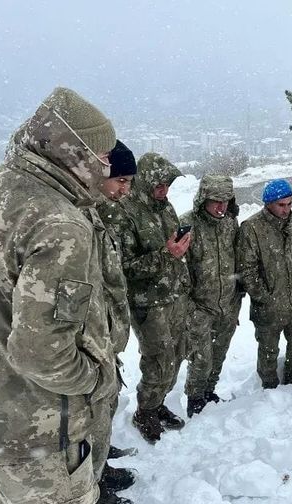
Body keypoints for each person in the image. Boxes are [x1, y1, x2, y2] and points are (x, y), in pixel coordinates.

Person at [0, 87, 120, 503]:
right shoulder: (59, 224)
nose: (107, 165)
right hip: (42, 438)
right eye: (104, 155)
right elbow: (42, 355)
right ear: (76, 152)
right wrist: (97, 381)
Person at [117, 152, 192, 442]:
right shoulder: (126, 213)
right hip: (148, 302)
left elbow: (171, 249)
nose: (165, 189)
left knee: (177, 354)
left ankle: (158, 403)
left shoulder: (165, 207)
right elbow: (125, 267)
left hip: (175, 295)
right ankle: (145, 411)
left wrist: (178, 252)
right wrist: (166, 254)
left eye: (168, 184)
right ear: (145, 182)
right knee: (158, 359)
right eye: (159, 184)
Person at [237, 179, 292, 388]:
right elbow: (247, 269)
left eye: (289, 204)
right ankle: (269, 384)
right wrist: (264, 297)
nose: (286, 209)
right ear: (268, 203)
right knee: (268, 349)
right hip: (269, 307)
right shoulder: (252, 228)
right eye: (281, 205)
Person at [95, 139, 139, 499]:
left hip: (106, 334)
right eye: (120, 180)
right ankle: (92, 482)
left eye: (129, 183)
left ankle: (100, 463)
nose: (124, 190)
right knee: (88, 413)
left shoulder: (102, 214)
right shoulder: (76, 217)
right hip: (90, 338)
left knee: (103, 407)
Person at [182, 174, 242, 417]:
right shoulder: (187, 224)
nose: (221, 207)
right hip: (199, 306)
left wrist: (237, 294)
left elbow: (238, 257)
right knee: (201, 359)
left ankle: (209, 391)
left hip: (228, 303)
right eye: (216, 201)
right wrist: (189, 307)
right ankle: (195, 398)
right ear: (203, 199)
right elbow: (179, 270)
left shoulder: (230, 223)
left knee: (219, 354)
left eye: (226, 201)